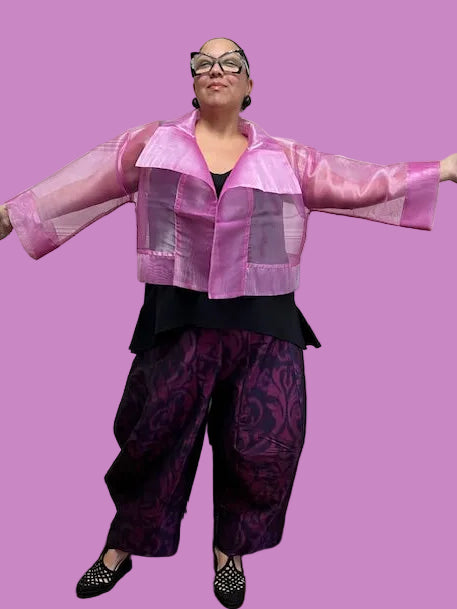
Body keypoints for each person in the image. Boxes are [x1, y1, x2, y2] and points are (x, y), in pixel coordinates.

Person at [1, 36, 456, 609]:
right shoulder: (151, 144)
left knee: (262, 445)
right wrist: (12, 215)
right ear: (193, 81)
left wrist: (442, 170)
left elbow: (361, 182)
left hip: (265, 326)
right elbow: (86, 181)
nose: (216, 69)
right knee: (150, 439)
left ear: (248, 86)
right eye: (204, 63)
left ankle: (229, 551)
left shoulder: (287, 158)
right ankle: (121, 546)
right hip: (177, 319)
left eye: (230, 63)